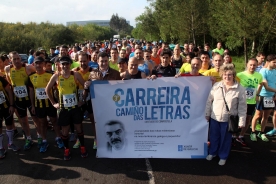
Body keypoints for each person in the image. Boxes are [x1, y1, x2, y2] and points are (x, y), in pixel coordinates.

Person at [45, 56, 88, 160]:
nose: (65, 66)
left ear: (70, 64)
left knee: (79, 128)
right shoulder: (56, 76)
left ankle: (82, 147)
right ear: (59, 65)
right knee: (65, 130)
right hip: (64, 109)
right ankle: (66, 149)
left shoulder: (75, 74)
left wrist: (82, 100)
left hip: (75, 108)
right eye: (63, 64)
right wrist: (53, 103)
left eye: (67, 64)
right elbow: (47, 89)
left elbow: (85, 86)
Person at [205, 64, 246, 166]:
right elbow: (209, 101)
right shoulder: (216, 85)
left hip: (228, 119)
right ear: (222, 75)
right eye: (224, 75)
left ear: (233, 75)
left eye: (229, 75)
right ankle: (212, 152)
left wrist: (241, 121)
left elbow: (242, 107)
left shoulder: (240, 89)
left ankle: (223, 156)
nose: (227, 77)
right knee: (213, 137)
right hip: (215, 117)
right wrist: (207, 113)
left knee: (225, 139)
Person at [5, 51, 40, 150]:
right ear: (10, 60)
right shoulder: (8, 69)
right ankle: (28, 138)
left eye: (18, 58)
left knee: (35, 119)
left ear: (20, 59)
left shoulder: (28, 67)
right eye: (14, 59)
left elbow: (37, 76)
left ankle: (40, 137)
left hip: (30, 99)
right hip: (18, 100)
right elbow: (9, 84)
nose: (17, 61)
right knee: (24, 121)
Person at [27, 56, 63, 152]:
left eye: (40, 63)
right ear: (34, 65)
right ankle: (44, 140)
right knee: (42, 124)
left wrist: (57, 101)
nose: (38, 65)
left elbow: (57, 88)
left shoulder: (50, 75)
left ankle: (58, 138)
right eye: (36, 63)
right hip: (39, 105)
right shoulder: (31, 77)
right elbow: (31, 92)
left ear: (43, 64)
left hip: (50, 104)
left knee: (54, 121)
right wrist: (33, 105)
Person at [235, 58, 262, 146]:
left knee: (247, 120)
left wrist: (257, 94)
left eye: (254, 65)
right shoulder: (240, 75)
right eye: (250, 65)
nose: (252, 67)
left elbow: (260, 84)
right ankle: (233, 136)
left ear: (257, 65)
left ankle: (241, 136)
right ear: (247, 64)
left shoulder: (259, 75)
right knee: (236, 119)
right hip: (240, 101)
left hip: (251, 102)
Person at [73, 53, 96, 149]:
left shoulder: (93, 71)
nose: (82, 63)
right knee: (78, 120)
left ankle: (96, 139)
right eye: (80, 61)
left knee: (93, 119)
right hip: (78, 98)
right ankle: (79, 139)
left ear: (88, 60)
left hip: (90, 98)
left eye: (84, 61)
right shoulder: (74, 72)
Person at [250, 54, 276, 142]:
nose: (275, 64)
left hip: (271, 96)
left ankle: (261, 132)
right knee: (257, 115)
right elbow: (266, 86)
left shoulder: (275, 71)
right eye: (274, 62)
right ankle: (253, 132)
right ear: (268, 62)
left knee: (266, 116)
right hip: (262, 95)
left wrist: (274, 94)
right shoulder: (263, 71)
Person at [0, 76, 19, 158]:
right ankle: (0, 148)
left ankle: (10, 143)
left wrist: (11, 105)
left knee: (9, 125)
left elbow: (9, 91)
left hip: (6, 107)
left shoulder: (1, 79)